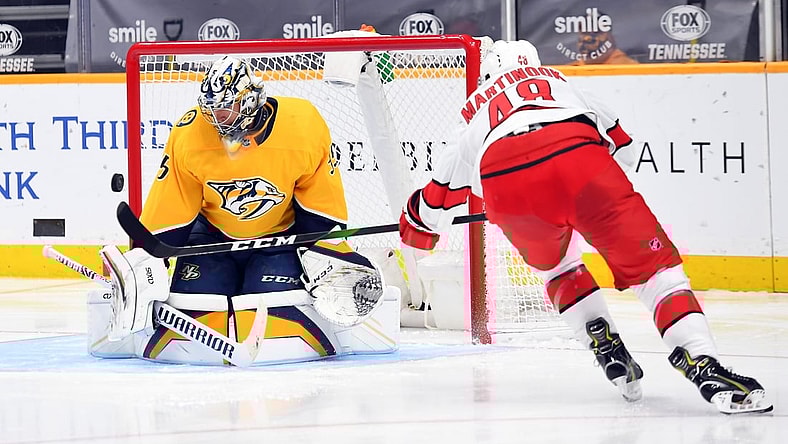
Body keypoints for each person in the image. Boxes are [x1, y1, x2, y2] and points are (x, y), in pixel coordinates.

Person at [397, 39, 772, 414]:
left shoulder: (474, 112)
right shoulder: (563, 82)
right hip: (579, 158)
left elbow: (432, 203)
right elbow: (623, 148)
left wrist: (414, 226)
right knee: (658, 275)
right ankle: (701, 360)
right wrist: (591, 195)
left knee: (558, 267)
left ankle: (601, 339)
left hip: (506, 184)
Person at [88, 56, 400, 365]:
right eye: (211, 111)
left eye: (225, 109)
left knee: (266, 303)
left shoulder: (303, 125)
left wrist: (321, 252)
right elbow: (171, 210)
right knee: (195, 300)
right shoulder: (190, 134)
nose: (216, 119)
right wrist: (144, 259)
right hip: (211, 239)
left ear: (250, 100)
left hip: (279, 241)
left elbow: (319, 209)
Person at [571, 30, 638, 65]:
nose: (585, 38)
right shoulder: (569, 71)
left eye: (595, 33)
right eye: (582, 34)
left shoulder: (627, 67)